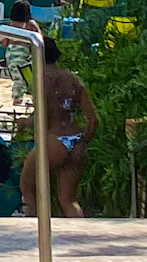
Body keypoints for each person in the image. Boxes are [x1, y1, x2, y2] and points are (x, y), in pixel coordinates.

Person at [20, 38, 97, 218]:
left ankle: (40, 232)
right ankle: (79, 237)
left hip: (54, 140)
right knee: (69, 200)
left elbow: (42, 119)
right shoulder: (73, 79)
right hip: (76, 140)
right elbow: (93, 120)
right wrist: (83, 141)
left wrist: (24, 123)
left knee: (28, 186)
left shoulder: (40, 79)